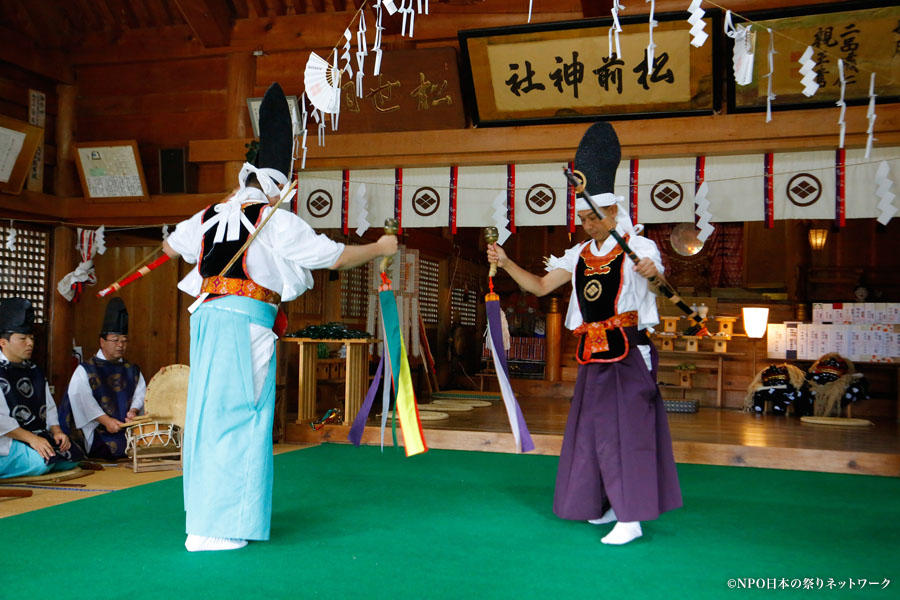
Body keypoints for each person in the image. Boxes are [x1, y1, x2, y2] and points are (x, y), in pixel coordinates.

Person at [162, 82, 398, 552]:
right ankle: (222, 527)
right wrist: (380, 248)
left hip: (206, 320)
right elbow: (333, 258)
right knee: (243, 416)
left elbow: (170, 248)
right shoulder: (273, 219)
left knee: (209, 416)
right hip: (245, 323)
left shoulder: (209, 215)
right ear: (278, 184)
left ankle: (204, 520)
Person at [487, 122, 682, 545]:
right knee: (595, 429)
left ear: (614, 213)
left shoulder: (640, 248)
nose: (589, 224)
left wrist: (652, 275)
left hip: (630, 350)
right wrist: (504, 262)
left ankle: (631, 517)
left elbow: (661, 287)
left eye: (596, 217)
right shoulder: (578, 254)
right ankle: (607, 503)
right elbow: (539, 286)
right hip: (593, 352)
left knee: (627, 430)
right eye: (584, 217)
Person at [1, 297, 86, 478]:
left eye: (31, 338)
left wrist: (57, 431)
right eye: (23, 338)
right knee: (40, 464)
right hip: (7, 439)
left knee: (73, 456)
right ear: (3, 342)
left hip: (35, 435)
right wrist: (31, 439)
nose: (30, 343)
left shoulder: (34, 371)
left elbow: (49, 407)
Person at [59, 298, 146, 459]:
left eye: (124, 340)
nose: (121, 345)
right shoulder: (86, 369)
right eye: (115, 340)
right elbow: (82, 399)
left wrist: (134, 410)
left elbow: (140, 394)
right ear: (102, 341)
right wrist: (105, 421)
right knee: (116, 449)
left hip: (127, 429)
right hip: (98, 430)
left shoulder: (132, 370)